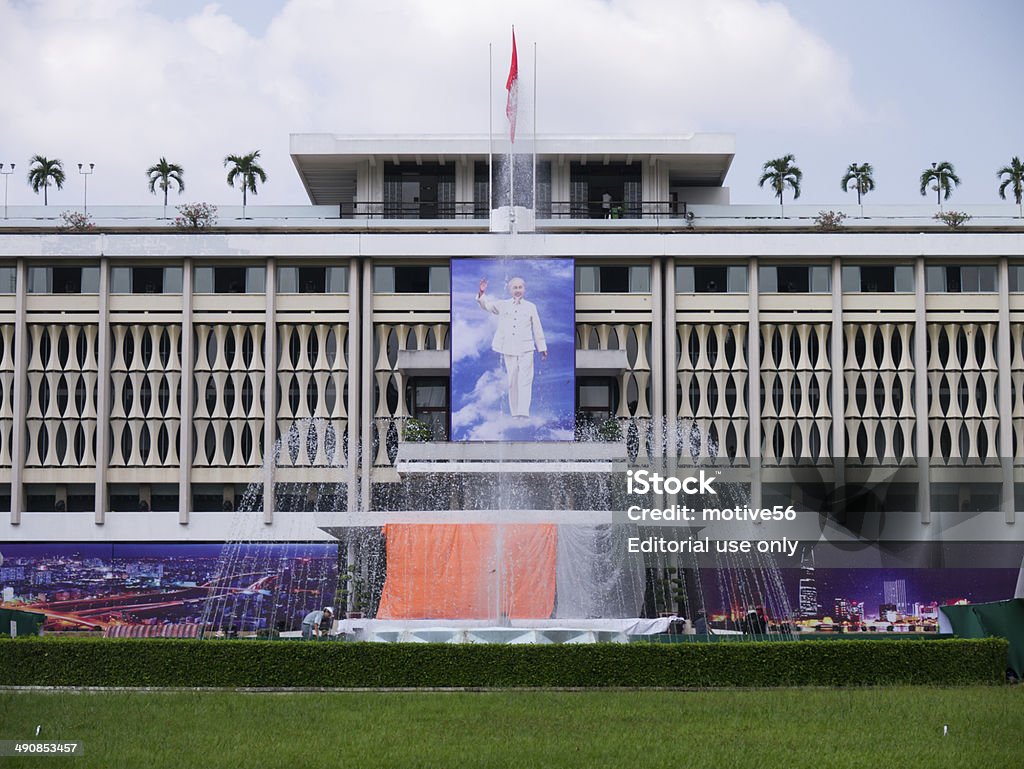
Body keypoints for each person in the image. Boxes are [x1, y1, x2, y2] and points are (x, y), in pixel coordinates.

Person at [477, 277, 547, 417]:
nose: (518, 290)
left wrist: (542, 347)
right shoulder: (503, 305)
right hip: (508, 347)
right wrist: (481, 292)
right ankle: (515, 413)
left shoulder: (531, 306)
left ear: (524, 289)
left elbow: (537, 327)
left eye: (520, 287)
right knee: (512, 380)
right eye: (515, 287)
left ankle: (523, 412)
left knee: (525, 379)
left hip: (526, 348)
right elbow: (487, 306)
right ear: (510, 290)